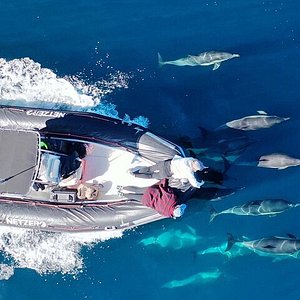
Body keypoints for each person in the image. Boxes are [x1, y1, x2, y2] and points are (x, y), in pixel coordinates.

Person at [117, 178, 187, 218]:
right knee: (134, 196)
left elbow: (167, 191)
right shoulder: (166, 214)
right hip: (147, 201)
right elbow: (157, 209)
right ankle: (122, 194)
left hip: (151, 192)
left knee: (137, 190)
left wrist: (164, 182)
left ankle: (122, 187)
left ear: (176, 207)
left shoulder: (172, 199)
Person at [130, 155, 206, 189]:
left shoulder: (189, 159)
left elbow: (196, 163)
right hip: (166, 172)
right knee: (151, 176)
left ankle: (134, 171)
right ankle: (135, 175)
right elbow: (194, 183)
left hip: (165, 163)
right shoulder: (189, 172)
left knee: (149, 169)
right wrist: (200, 184)